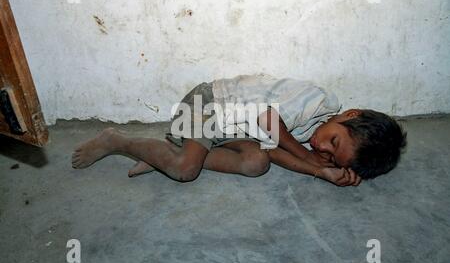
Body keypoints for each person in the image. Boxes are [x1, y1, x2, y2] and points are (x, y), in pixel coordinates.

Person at [72, 74, 407, 187]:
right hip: (209, 104)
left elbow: (272, 151)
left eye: (332, 156)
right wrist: (310, 157)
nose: (323, 148)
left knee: (257, 164)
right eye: (334, 141)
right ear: (349, 114)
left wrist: (322, 173)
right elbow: (267, 121)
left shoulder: (311, 137)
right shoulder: (317, 101)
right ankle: (117, 140)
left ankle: (167, 156)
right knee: (186, 171)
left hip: (232, 133)